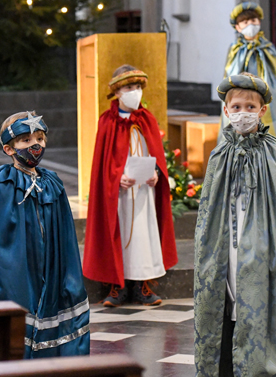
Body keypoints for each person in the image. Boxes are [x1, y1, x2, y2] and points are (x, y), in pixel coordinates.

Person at [194, 73, 276, 376]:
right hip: (228, 247)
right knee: (229, 301)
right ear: (226, 110)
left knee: (261, 299)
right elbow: (209, 211)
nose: (242, 113)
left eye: (250, 107)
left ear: (262, 110)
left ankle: (263, 366)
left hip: (263, 248)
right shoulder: (219, 154)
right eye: (236, 107)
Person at [0, 111, 90, 358]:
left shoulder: (52, 182)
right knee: (25, 314)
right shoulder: (3, 185)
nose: (35, 145)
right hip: (23, 269)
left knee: (65, 303)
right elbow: (1, 244)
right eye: (26, 141)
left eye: (40, 138)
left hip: (54, 265)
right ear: (9, 149)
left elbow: (65, 233)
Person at [83, 65, 177, 307]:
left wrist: (156, 174)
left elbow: (156, 154)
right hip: (119, 193)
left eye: (137, 87)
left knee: (143, 235)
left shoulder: (147, 119)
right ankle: (117, 287)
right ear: (117, 92)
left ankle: (142, 286)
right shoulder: (107, 121)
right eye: (128, 88)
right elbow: (101, 163)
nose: (134, 92)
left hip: (144, 189)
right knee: (120, 232)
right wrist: (115, 179)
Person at [220, 1, 276, 149]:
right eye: (245, 22)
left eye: (253, 20)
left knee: (270, 127)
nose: (250, 24)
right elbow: (230, 76)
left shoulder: (268, 48)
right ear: (238, 27)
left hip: (263, 100)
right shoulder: (235, 49)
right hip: (241, 101)